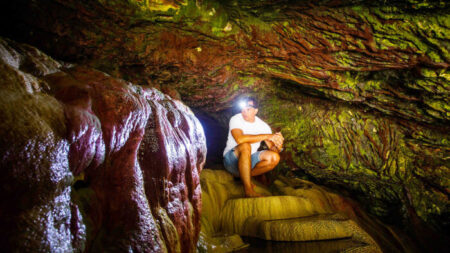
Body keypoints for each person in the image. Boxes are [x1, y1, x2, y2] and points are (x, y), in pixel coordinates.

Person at [223, 96, 284, 197]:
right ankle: (248, 190)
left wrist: (278, 143)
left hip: (249, 161)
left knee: (274, 158)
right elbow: (240, 139)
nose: (244, 112)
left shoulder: (264, 126)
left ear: (256, 111)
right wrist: (268, 136)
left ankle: (242, 175)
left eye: (248, 109)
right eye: (242, 109)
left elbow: (273, 150)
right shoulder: (236, 119)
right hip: (232, 159)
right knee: (246, 146)